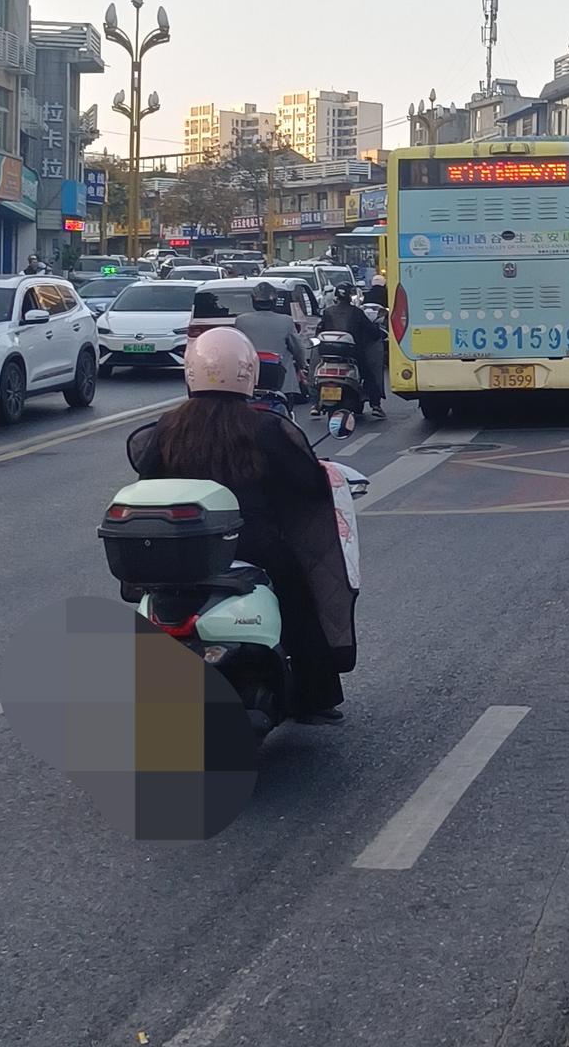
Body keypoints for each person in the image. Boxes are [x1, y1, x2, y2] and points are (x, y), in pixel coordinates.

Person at [128, 328, 355, 720]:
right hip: (253, 543)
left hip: (181, 550)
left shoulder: (168, 426)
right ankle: (315, 697)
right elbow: (309, 484)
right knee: (298, 600)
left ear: (191, 372)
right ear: (248, 373)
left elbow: (146, 479)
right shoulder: (264, 426)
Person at [326, 280, 385, 418]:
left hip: (329, 354)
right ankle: (375, 405)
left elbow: (320, 331)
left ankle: (316, 404)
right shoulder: (357, 312)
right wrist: (378, 331)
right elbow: (372, 332)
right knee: (369, 375)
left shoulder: (327, 312)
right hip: (352, 354)